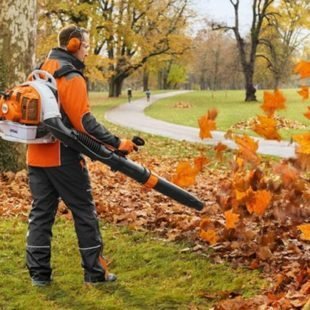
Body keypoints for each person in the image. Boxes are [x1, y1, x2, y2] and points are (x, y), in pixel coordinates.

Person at [26, 24, 137, 286]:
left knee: (40, 213)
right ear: (74, 44)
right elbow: (84, 123)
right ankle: (95, 273)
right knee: (84, 212)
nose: (87, 52)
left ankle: (39, 275)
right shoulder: (71, 77)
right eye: (86, 46)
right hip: (62, 156)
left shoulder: (40, 71)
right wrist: (117, 142)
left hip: (35, 154)